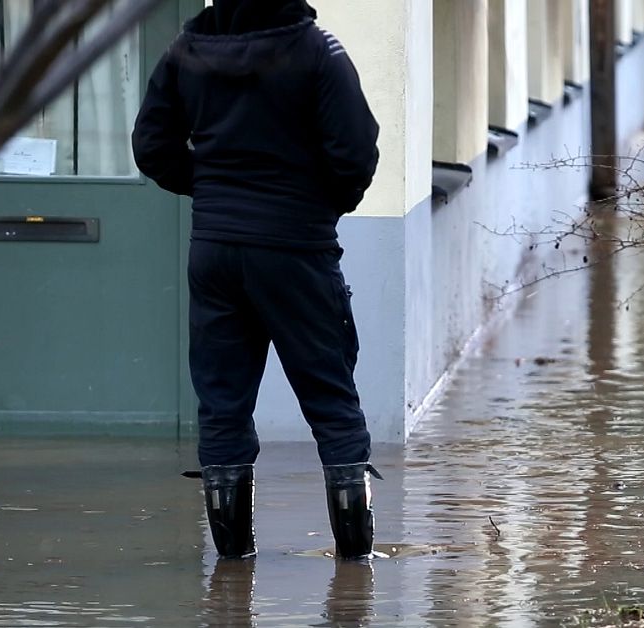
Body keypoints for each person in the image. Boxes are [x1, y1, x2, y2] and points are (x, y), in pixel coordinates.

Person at [132, 0, 381, 561]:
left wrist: (219, 193)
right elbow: (356, 155)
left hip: (215, 249)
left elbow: (151, 146)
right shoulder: (319, 53)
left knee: (222, 403)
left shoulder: (185, 52)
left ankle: (231, 570)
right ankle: (355, 570)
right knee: (331, 399)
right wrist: (313, 206)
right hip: (297, 249)